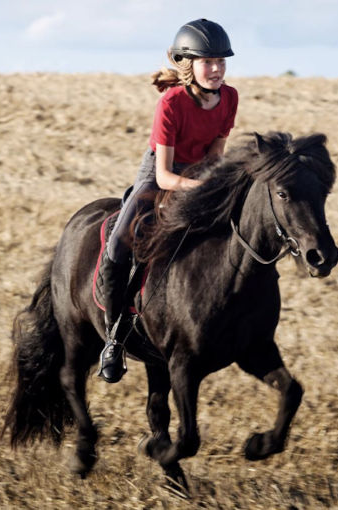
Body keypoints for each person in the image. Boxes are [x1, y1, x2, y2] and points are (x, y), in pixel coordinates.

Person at [98, 19, 239, 383]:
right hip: (159, 174)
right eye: (208, 62)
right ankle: (114, 339)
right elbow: (163, 176)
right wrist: (200, 188)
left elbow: (216, 154)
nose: (217, 69)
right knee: (116, 248)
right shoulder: (172, 103)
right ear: (188, 65)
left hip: (199, 172)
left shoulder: (230, 98)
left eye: (221, 61)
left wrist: (215, 183)